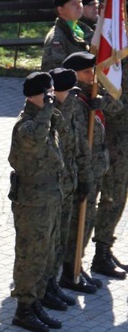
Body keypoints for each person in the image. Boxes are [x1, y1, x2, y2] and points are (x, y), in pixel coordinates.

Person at [8, 71, 65, 332]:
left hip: (49, 199)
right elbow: (38, 136)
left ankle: (36, 302)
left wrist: (51, 109)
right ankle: (23, 309)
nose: (52, 97)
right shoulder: (25, 125)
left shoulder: (45, 118)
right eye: (48, 93)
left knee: (46, 253)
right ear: (36, 95)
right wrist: (48, 110)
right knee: (30, 256)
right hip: (32, 203)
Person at [61, 51, 122, 288]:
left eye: (92, 71)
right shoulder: (72, 101)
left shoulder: (93, 95)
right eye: (86, 72)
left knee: (87, 221)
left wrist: (102, 102)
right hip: (80, 173)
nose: (91, 76)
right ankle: (69, 268)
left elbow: (117, 106)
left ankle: (78, 264)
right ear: (73, 74)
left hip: (95, 169)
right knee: (76, 221)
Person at [45, 67, 84, 310]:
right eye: (69, 91)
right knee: (49, 244)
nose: (73, 96)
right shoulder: (50, 114)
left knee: (60, 241)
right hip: (52, 188)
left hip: (67, 183)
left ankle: (54, 283)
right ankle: (45, 288)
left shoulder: (67, 108)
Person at [92, 59, 128, 279]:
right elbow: (110, 101)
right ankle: (100, 253)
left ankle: (105, 247)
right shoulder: (116, 59)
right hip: (117, 141)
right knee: (112, 196)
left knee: (119, 195)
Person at [41, 0, 93, 72]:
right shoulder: (56, 38)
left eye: (80, 2)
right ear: (61, 10)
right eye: (73, 4)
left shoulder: (83, 29)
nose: (79, 7)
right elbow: (55, 72)